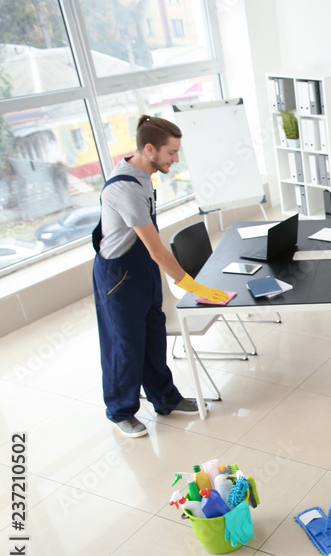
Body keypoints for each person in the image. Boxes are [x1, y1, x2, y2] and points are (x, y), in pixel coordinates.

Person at [92, 115, 229, 438]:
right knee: (124, 345)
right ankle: (121, 412)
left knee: (153, 337)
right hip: (119, 277)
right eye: (171, 153)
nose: (175, 159)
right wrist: (193, 287)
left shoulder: (142, 174)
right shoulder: (126, 187)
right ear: (150, 149)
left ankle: (165, 398)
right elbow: (157, 250)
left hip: (141, 271)